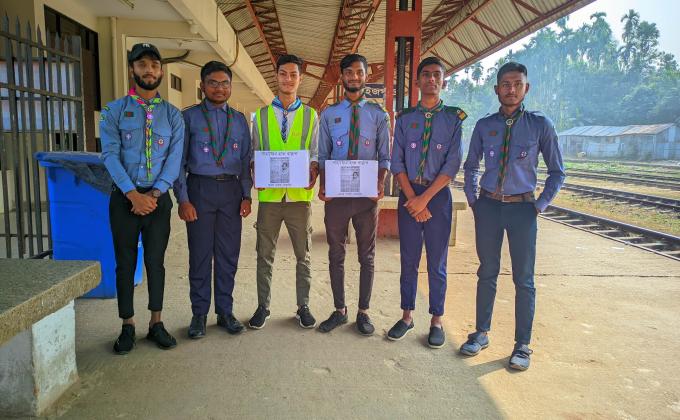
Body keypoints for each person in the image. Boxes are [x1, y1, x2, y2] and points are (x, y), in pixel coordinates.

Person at [460, 61, 565, 370]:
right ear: (497, 89)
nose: (511, 89)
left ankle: (522, 345)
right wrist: (474, 201)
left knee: (524, 279)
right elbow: (470, 166)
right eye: (506, 84)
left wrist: (539, 205)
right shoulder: (484, 125)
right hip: (489, 207)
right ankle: (481, 333)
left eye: (517, 84)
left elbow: (558, 172)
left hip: (523, 209)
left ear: (526, 88)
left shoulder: (540, 125)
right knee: (487, 271)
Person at [100, 43, 184, 354]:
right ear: (132, 69)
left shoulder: (173, 115)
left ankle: (156, 323)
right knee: (125, 263)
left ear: (161, 71)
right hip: (124, 198)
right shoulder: (113, 111)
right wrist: (133, 194)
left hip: (158, 200)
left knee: (156, 263)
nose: (149, 70)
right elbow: (109, 155)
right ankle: (127, 324)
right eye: (142, 64)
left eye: (154, 65)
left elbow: (174, 160)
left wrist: (155, 193)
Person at [387, 56, 466, 349]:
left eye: (436, 75)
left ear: (443, 81)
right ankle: (407, 316)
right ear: (418, 81)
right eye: (426, 75)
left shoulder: (454, 119)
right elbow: (397, 162)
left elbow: (452, 164)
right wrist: (413, 199)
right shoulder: (405, 118)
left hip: (437, 197)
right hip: (409, 195)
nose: (431, 79)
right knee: (408, 259)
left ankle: (436, 320)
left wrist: (425, 200)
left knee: (437, 262)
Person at [173, 61, 252, 339]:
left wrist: (247, 195)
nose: (219, 88)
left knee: (228, 255)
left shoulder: (240, 120)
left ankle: (225, 312)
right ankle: (199, 314)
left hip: (231, 191)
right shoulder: (189, 118)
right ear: (203, 86)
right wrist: (183, 199)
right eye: (213, 83)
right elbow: (179, 162)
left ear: (231, 86)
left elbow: (245, 161)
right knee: (200, 255)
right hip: (199, 190)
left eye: (225, 83)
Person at [316, 53, 390, 336]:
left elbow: (384, 156)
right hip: (336, 198)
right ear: (342, 77)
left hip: (365, 199)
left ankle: (363, 312)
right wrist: (324, 186)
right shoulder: (329, 114)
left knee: (366, 256)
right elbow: (323, 154)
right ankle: (339, 310)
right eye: (349, 72)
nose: (354, 77)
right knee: (336, 253)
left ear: (366, 76)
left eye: (359, 72)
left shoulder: (378, 115)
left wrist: (380, 184)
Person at [249, 54, 319, 330]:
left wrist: (313, 171)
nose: (288, 79)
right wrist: (255, 173)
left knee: (304, 255)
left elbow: (315, 153)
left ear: (301, 78)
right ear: (276, 76)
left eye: (293, 74)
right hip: (269, 198)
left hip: (299, 199)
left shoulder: (311, 115)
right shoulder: (261, 116)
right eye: (283, 74)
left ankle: (303, 307)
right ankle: (262, 306)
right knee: (264, 254)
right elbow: (255, 153)